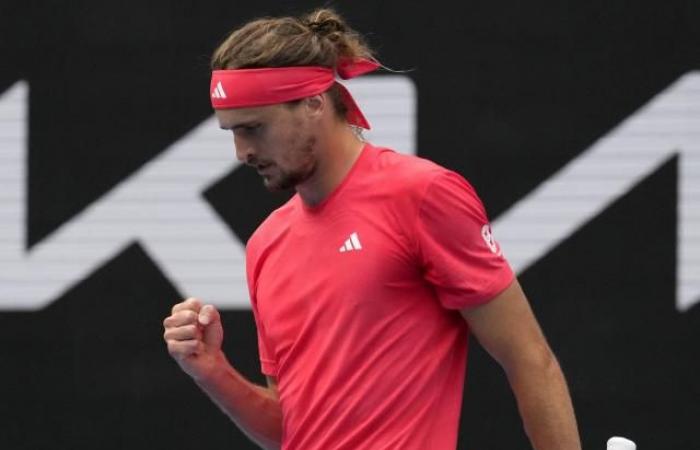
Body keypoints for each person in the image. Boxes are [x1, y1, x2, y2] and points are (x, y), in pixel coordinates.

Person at [162, 8, 581, 450]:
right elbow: (293, 432)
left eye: (254, 129)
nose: (241, 152)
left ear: (313, 103)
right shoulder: (265, 245)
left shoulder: (422, 195)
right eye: (232, 132)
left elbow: (530, 361)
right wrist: (211, 370)